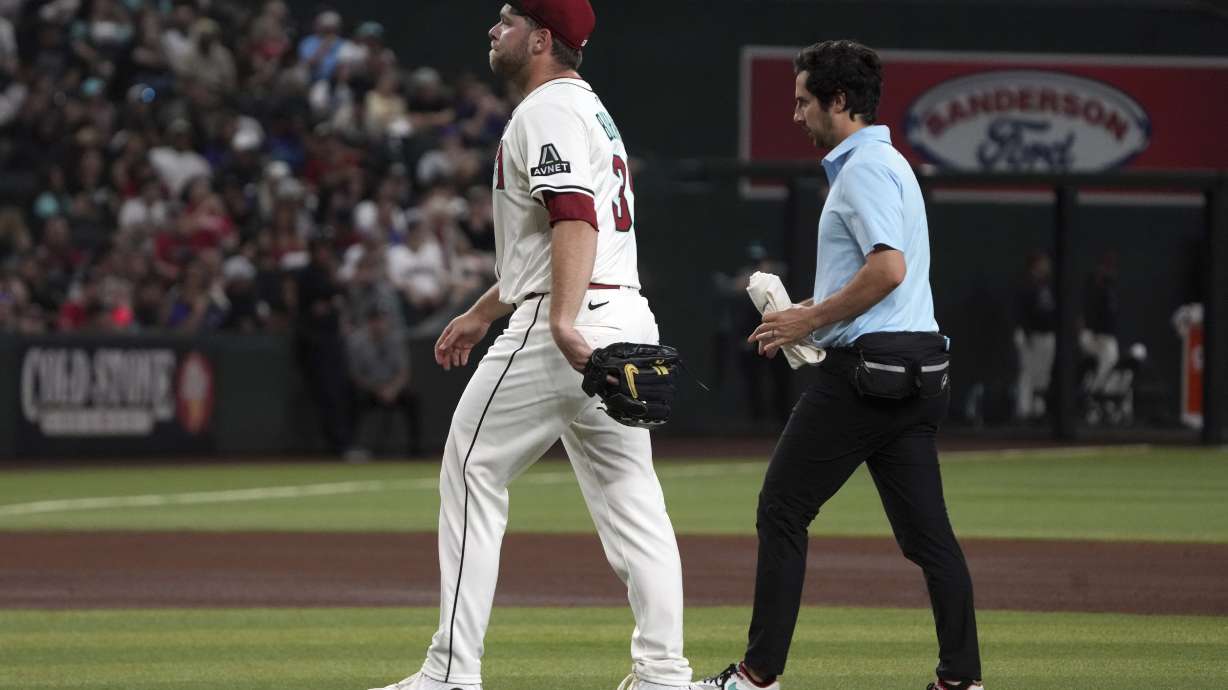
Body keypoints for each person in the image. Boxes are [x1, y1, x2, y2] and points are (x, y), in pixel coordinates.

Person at [368, 2, 703, 689]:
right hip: (625, 314)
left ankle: (451, 673)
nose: (495, 30)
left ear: (541, 39)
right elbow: (557, 238)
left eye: (508, 21)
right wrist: (486, 310)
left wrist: (559, 322)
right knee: (633, 499)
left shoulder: (546, 110)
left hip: (570, 322)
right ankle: (663, 674)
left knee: (470, 469)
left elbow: (573, 218)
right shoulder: (590, 110)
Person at [702, 41, 984, 690]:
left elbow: (888, 270)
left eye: (804, 101)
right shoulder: (893, 163)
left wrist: (808, 320)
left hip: (864, 378)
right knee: (928, 539)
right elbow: (882, 281)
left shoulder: (860, 169)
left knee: (781, 508)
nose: (796, 113)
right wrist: (805, 311)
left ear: (839, 101)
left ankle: (755, 676)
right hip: (917, 373)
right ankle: (961, 679)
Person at [1013, 251, 1056, 420]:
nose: (1047, 266)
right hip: (1030, 335)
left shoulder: (1047, 285)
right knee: (1027, 372)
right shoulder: (1026, 283)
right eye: (1043, 262)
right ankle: (1024, 410)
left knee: (1042, 374)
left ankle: (1038, 409)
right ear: (1035, 263)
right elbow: (1020, 311)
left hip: (1046, 335)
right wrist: (1025, 332)